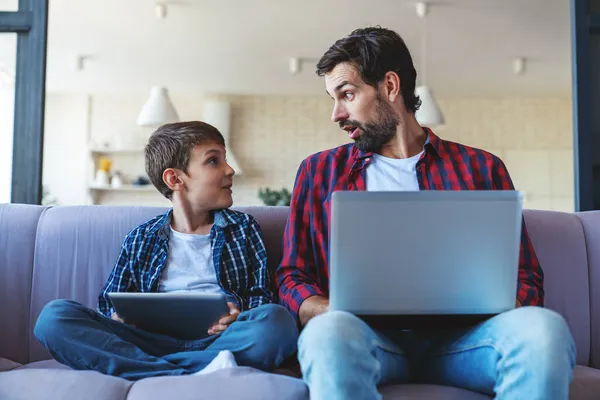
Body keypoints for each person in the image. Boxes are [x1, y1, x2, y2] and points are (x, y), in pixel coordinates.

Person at [275, 27, 576, 400]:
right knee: (327, 334)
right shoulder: (320, 171)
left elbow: (526, 275)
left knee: (544, 331)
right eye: (333, 99)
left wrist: (498, 304)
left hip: (467, 342)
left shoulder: (480, 167)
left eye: (347, 95)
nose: (337, 114)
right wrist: (330, 309)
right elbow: (292, 275)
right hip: (368, 338)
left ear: (389, 85)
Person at [34, 121, 298, 381]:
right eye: (213, 161)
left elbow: (262, 296)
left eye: (224, 159)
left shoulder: (243, 228)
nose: (229, 170)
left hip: (222, 340)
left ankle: (152, 370)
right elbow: (109, 303)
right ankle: (201, 371)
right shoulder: (141, 238)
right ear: (175, 179)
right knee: (53, 318)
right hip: (148, 343)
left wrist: (237, 314)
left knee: (277, 322)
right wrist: (119, 318)